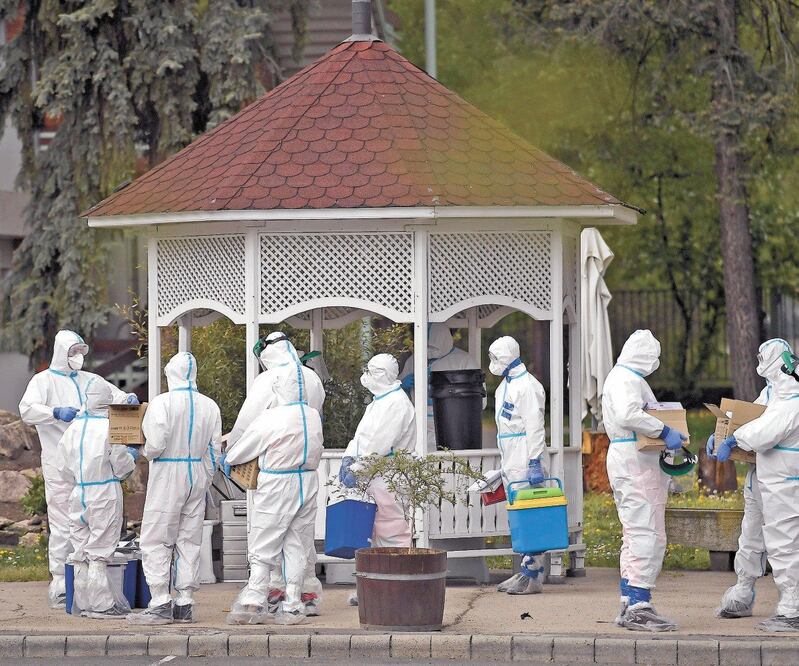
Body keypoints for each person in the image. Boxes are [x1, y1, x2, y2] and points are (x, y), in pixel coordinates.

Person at [18, 329, 138, 608]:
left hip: (92, 464)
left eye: (81, 352)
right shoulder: (43, 381)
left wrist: (127, 399)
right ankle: (62, 581)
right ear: (61, 352)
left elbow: (111, 395)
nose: (78, 357)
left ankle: (86, 586)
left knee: (92, 523)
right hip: (59, 461)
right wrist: (54, 412)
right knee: (62, 520)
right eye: (73, 352)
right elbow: (27, 410)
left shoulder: (89, 379)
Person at [227, 331, 326, 616]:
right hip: (306, 479)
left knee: (265, 539)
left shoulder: (269, 390)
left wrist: (230, 452)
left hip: (276, 478)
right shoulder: (312, 391)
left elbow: (246, 429)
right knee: (299, 542)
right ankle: (296, 600)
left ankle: (255, 599)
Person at [127, 352, 222, 625]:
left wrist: (140, 449)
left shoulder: (162, 403)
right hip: (196, 473)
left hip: (168, 473)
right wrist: (203, 478)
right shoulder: (210, 406)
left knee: (157, 537)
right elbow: (214, 450)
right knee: (189, 539)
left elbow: (155, 446)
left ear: (171, 374)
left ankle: (159, 601)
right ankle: (185, 602)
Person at [603, 329, 687, 632]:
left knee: (635, 530)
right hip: (634, 461)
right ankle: (640, 605)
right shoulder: (626, 379)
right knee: (646, 532)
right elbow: (629, 415)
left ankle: (629, 601)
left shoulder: (625, 377)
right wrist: (664, 431)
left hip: (633, 459)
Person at [714, 342, 799, 632]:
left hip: (784, 482)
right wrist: (721, 431)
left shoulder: (792, 395)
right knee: (751, 535)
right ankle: (742, 592)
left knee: (784, 541)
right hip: (764, 477)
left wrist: (733, 440)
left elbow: (765, 429)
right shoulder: (773, 390)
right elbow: (751, 414)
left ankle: (792, 607)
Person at [339, 353, 416, 605]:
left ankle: (396, 590)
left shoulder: (396, 404)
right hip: (373, 475)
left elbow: (379, 445)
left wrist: (358, 467)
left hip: (388, 476)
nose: (366, 375)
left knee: (392, 533)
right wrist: (348, 457)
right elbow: (361, 436)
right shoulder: (379, 401)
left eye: (371, 371)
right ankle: (373, 589)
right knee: (371, 534)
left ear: (383, 375)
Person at [60, 380, 137, 618]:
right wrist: (131, 457)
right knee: (99, 553)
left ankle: (83, 603)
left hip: (78, 493)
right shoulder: (110, 428)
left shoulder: (72, 429)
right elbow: (121, 466)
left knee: (80, 551)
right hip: (103, 492)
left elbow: (63, 468)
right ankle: (102, 605)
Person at [487, 336, 548, 595]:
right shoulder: (505, 386)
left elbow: (535, 427)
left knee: (530, 514)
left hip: (525, 454)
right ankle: (525, 569)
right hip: (511, 456)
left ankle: (533, 574)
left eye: (495, 357)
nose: (492, 362)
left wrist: (534, 460)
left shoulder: (528, 386)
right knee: (517, 515)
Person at [399, 323, 480, 447]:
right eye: (425, 346)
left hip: (453, 424)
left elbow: (479, 400)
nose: (428, 351)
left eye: (432, 347)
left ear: (444, 340)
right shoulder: (413, 360)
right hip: (418, 423)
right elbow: (397, 397)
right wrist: (401, 386)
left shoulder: (464, 360)